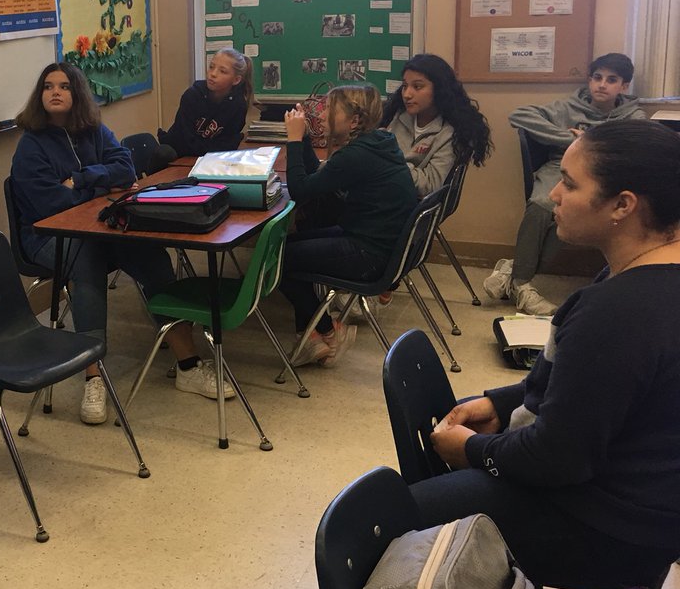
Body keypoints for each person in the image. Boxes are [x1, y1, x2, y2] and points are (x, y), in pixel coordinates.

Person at [412, 119, 680, 589]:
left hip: (609, 528)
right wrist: (500, 401)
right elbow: (588, 384)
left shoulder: (617, 312)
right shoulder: (640, 273)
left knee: (388, 521)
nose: (554, 194)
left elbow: (557, 459)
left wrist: (470, 451)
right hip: (643, 510)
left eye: (570, 184)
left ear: (623, 205)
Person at [10, 62, 224, 425]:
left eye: (64, 86)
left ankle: (187, 363)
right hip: (47, 237)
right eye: (48, 86)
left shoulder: (93, 131)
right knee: (87, 262)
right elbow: (49, 205)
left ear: (77, 94)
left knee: (150, 254)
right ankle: (94, 377)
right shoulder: (30, 145)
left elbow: (124, 170)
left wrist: (79, 180)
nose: (55, 92)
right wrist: (99, 188)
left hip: (100, 224)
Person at [485, 52, 644, 315]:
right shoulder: (567, 108)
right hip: (560, 168)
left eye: (611, 80)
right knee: (539, 206)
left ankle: (514, 273)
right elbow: (519, 115)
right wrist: (568, 140)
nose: (602, 85)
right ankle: (522, 285)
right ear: (589, 80)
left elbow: (634, 149)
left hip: (603, 178)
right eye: (597, 77)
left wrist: (590, 144)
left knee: (571, 214)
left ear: (624, 86)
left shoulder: (633, 116)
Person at [279, 84, 417, 366]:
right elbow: (315, 181)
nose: (322, 114)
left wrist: (293, 140)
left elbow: (299, 190)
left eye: (331, 109)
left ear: (354, 120)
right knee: (286, 247)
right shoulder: (378, 142)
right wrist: (304, 138)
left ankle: (328, 332)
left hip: (370, 252)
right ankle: (312, 338)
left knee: (275, 259)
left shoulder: (356, 155)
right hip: (376, 241)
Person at [380, 53, 493, 197]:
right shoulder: (394, 115)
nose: (407, 94)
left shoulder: (451, 133)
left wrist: (388, 158)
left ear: (439, 89)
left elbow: (430, 185)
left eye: (417, 87)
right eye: (404, 86)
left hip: (401, 205)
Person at [156, 48, 253, 159]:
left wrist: (215, 151)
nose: (213, 74)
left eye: (223, 71)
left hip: (210, 160)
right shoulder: (192, 96)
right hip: (179, 156)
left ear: (236, 80)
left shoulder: (238, 105)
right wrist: (214, 150)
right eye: (211, 67)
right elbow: (184, 140)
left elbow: (229, 144)